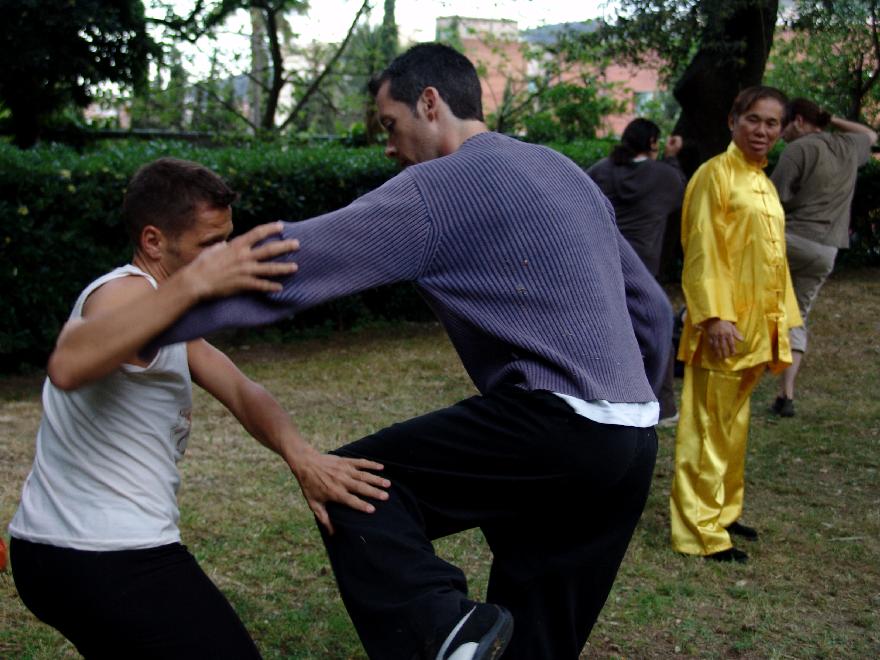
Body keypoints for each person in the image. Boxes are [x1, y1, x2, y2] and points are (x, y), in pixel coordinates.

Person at [154, 44, 673, 660]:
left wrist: (155, 312)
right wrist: (639, 404)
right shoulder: (564, 172)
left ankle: (441, 628)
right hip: (633, 441)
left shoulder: (439, 188)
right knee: (536, 639)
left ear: (430, 104)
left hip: (555, 425)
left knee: (353, 488)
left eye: (389, 125)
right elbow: (653, 312)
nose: (389, 147)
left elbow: (302, 262)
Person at [8, 158, 390, 659]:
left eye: (226, 240)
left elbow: (241, 389)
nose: (223, 256)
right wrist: (195, 284)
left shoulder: (168, 318)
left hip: (60, 553)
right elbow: (69, 362)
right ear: (153, 242)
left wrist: (302, 456)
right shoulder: (124, 292)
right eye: (209, 246)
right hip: (101, 554)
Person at [669, 86, 803, 564]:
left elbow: (775, 260)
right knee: (706, 428)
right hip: (722, 327)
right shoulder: (715, 175)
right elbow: (702, 250)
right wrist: (714, 315)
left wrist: (784, 320)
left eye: (772, 123)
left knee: (734, 424)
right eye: (754, 119)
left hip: (758, 328)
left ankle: (724, 510)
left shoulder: (762, 182)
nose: (762, 130)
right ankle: (699, 529)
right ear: (733, 121)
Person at [770, 99, 878, 417]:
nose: (780, 132)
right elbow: (870, 134)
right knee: (797, 315)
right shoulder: (847, 146)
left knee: (757, 300)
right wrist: (833, 120)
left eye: (784, 124)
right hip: (826, 248)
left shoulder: (797, 150)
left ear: (800, 121)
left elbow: (773, 198)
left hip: (790, 240)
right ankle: (786, 395)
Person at [587, 118, 687, 426]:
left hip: (602, 263)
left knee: (606, 333)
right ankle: (664, 404)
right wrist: (670, 157)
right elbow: (679, 190)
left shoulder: (600, 171)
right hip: (642, 265)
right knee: (657, 330)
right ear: (653, 143)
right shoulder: (662, 176)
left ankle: (605, 398)